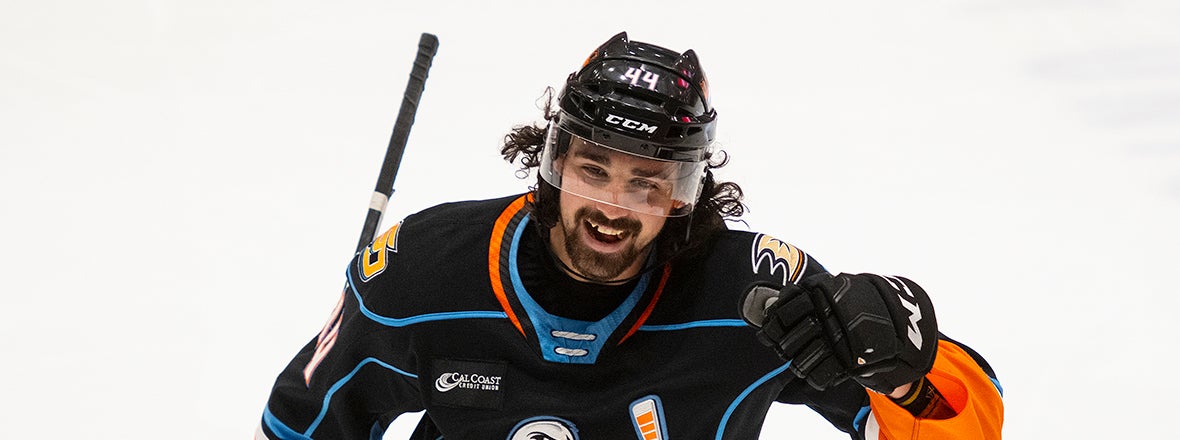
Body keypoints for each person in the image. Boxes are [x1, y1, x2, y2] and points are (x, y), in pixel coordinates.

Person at [256, 32, 1004, 439]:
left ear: (688, 196)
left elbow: (960, 427)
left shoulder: (751, 300)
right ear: (549, 163)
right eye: (593, 170)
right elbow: (300, 428)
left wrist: (908, 374)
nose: (614, 206)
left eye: (651, 182)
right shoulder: (421, 278)